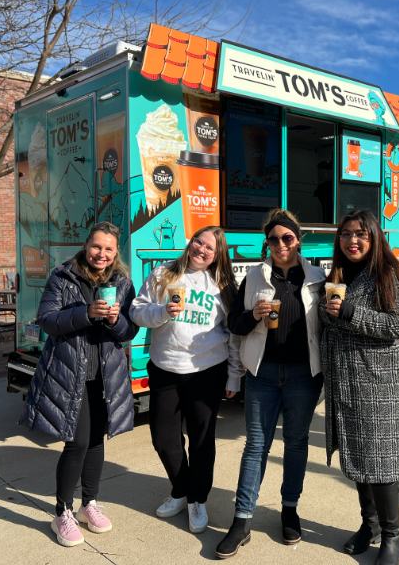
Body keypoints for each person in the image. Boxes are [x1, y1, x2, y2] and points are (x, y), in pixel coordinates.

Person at [215, 208, 326, 559]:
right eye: (273, 239)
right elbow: (234, 325)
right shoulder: (255, 278)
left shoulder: (317, 278)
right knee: (256, 447)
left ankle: (289, 509)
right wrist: (254, 316)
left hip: (302, 377)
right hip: (262, 375)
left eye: (287, 238)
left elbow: (327, 328)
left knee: (295, 444)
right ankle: (242, 519)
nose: (280, 244)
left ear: (298, 240)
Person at [21, 222, 138, 547]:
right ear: (87, 245)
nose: (102, 254)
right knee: (78, 442)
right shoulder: (63, 277)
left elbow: (130, 332)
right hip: (72, 374)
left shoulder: (123, 282)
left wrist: (116, 321)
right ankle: (62, 511)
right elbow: (46, 320)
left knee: (98, 441)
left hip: (106, 376)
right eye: (97, 247)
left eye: (109, 249)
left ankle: (89, 503)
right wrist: (86, 313)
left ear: (116, 253)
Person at [129, 226, 241, 535]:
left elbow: (233, 334)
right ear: (190, 243)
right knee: (164, 439)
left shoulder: (221, 284)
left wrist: (234, 374)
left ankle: (197, 499)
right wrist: (163, 311)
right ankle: (181, 489)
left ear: (217, 256)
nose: (202, 250)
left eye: (210, 248)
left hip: (208, 370)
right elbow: (137, 312)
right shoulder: (163, 274)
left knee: (202, 440)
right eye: (199, 242)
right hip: (165, 368)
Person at [319, 211, 399, 565]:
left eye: (360, 234)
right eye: (345, 235)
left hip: (380, 382)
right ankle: (370, 524)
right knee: (358, 456)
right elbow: (328, 316)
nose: (352, 241)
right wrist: (326, 310)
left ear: (374, 237)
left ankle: (393, 537)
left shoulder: (390, 274)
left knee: (382, 463)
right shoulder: (339, 274)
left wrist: (348, 314)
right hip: (346, 380)